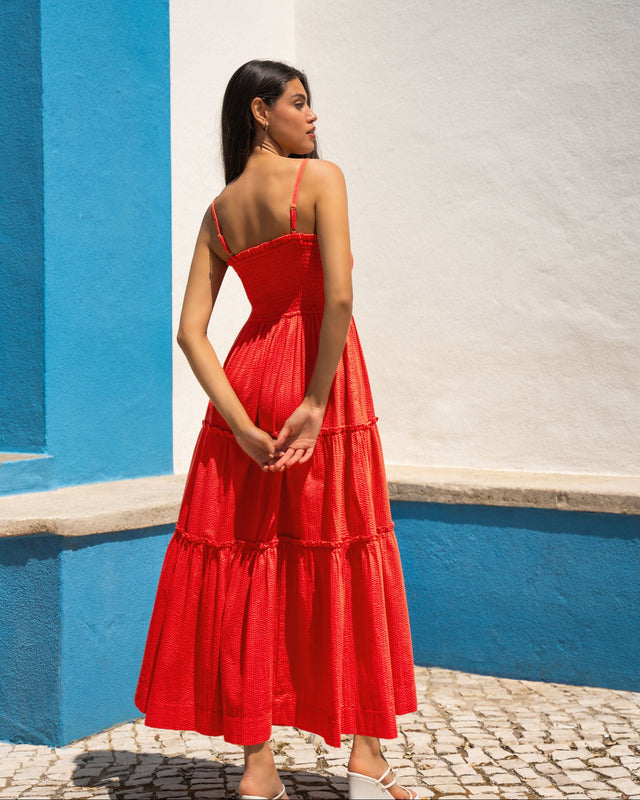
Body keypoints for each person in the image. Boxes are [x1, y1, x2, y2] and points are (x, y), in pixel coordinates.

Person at [135, 60, 420, 800]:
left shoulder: (220, 210)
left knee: (252, 562)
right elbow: (339, 297)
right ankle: (364, 758)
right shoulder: (320, 179)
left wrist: (240, 425)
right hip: (320, 385)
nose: (313, 117)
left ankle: (258, 770)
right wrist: (318, 400)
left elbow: (191, 334)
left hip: (250, 382)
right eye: (299, 103)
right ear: (261, 111)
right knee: (342, 548)